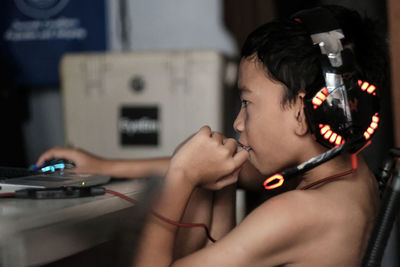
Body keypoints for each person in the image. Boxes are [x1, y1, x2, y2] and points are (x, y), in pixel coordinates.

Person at [38, 5, 388, 266]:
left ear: (303, 111)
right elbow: (233, 171)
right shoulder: (351, 176)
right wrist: (102, 163)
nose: (237, 122)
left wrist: (181, 177)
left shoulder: (298, 212)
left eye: (247, 102)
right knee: (217, 184)